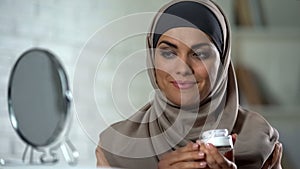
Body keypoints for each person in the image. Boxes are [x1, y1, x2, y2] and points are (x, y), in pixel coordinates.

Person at [96, 0, 283, 168]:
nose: (183, 68)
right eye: (168, 53)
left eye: (200, 54)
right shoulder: (116, 147)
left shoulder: (261, 140)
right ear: (152, 59)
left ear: (223, 62)